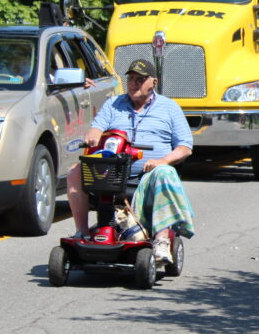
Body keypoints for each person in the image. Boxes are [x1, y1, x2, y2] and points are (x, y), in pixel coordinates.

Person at [67, 59, 195, 262]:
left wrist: (163, 160)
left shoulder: (170, 108)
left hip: (148, 175)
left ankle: (161, 240)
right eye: (131, 79)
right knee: (75, 171)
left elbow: (185, 147)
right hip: (112, 173)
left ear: (153, 82)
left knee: (165, 172)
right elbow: (97, 127)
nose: (134, 83)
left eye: (140, 79)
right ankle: (81, 232)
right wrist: (93, 133)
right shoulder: (113, 104)